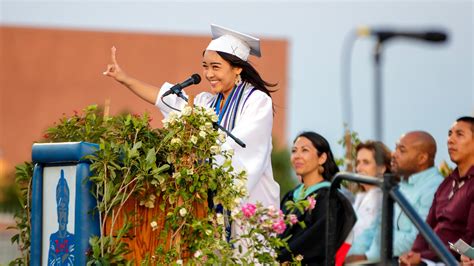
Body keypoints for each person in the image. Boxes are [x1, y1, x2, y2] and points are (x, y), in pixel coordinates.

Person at [103, 24, 280, 209]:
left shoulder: (256, 101)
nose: (208, 74)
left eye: (216, 67)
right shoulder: (207, 103)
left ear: (237, 69)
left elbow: (243, 150)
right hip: (209, 203)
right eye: (205, 66)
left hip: (251, 205)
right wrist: (125, 79)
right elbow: (166, 100)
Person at [346, 131, 444, 263]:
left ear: (422, 158)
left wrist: (367, 256)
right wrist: (347, 255)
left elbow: (417, 239)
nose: (393, 154)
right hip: (384, 257)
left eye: (401, 150)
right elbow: (376, 229)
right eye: (396, 148)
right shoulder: (400, 186)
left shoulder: (435, 187)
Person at [399, 116, 474, 265]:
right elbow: (426, 228)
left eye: (459, 134)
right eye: (449, 134)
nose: (450, 140)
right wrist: (414, 253)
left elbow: (468, 239)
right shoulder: (446, 183)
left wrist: (425, 257)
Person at [278, 131, 356, 264]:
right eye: (294, 151)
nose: (297, 156)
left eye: (305, 150)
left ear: (322, 158)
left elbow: (314, 242)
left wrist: (278, 256)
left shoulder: (330, 199)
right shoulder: (291, 196)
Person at [347, 141, 391, 255]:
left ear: (381, 168)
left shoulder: (384, 199)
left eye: (366, 162)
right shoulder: (359, 198)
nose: (359, 168)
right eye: (358, 162)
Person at [48, 170, 75, 265]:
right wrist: (63, 257)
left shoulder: (72, 238)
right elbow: (50, 261)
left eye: (65, 211)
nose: (62, 215)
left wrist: (59, 258)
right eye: (60, 211)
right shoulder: (53, 237)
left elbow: (72, 260)